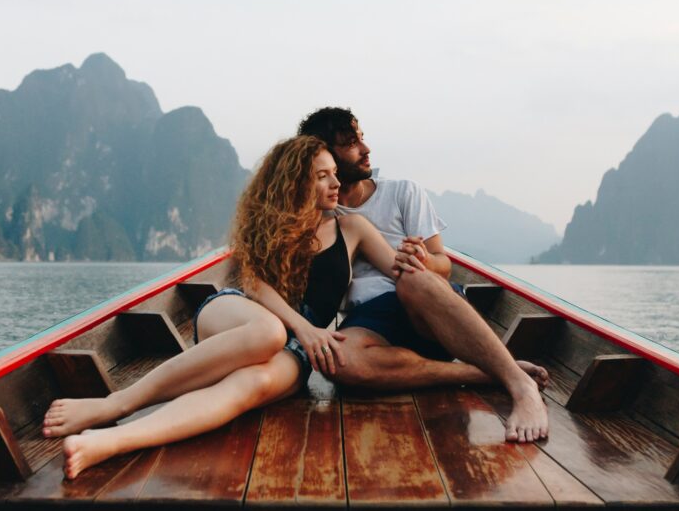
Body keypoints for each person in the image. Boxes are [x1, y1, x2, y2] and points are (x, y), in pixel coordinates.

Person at [42, 135, 418, 479]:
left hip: (299, 352)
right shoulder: (268, 223)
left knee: (247, 387)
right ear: (296, 181)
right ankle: (114, 406)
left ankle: (111, 442)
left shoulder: (353, 229)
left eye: (335, 174)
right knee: (268, 332)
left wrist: (424, 259)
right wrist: (302, 327)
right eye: (323, 176)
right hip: (240, 314)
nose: (336, 184)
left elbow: (402, 272)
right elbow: (254, 284)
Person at [297, 107, 550, 442]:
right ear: (325, 155)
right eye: (351, 143)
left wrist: (424, 261)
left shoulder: (403, 192)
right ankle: (480, 373)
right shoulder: (315, 214)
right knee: (339, 360)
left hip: (428, 308)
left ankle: (521, 386)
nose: (366, 148)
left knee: (412, 279)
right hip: (371, 324)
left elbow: (443, 263)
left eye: (362, 138)